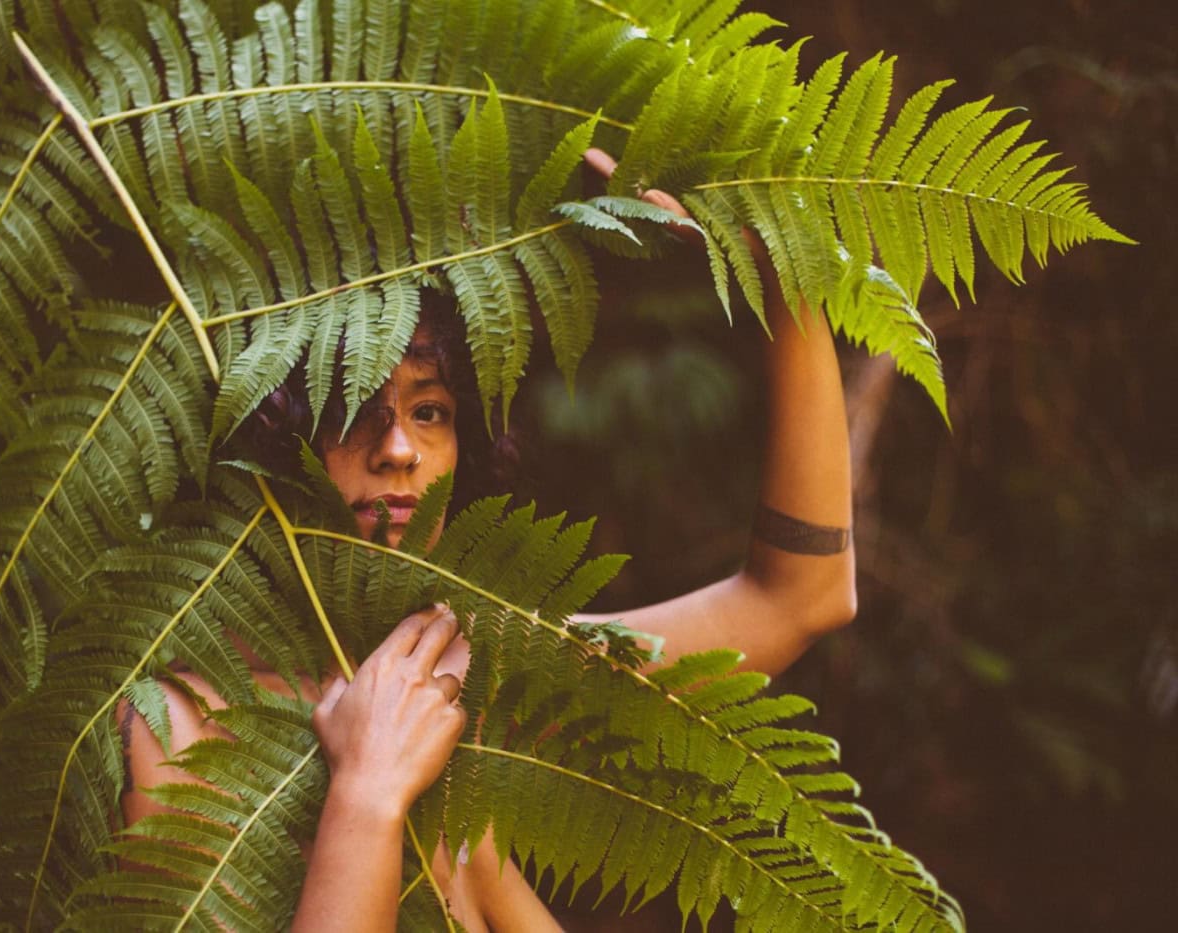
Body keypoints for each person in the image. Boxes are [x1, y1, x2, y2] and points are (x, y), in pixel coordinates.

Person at [118, 149, 856, 931]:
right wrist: (367, 794)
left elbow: (800, 596)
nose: (398, 448)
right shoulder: (169, 728)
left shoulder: (458, 679)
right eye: (350, 409)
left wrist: (781, 281)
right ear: (265, 443)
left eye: (429, 410)